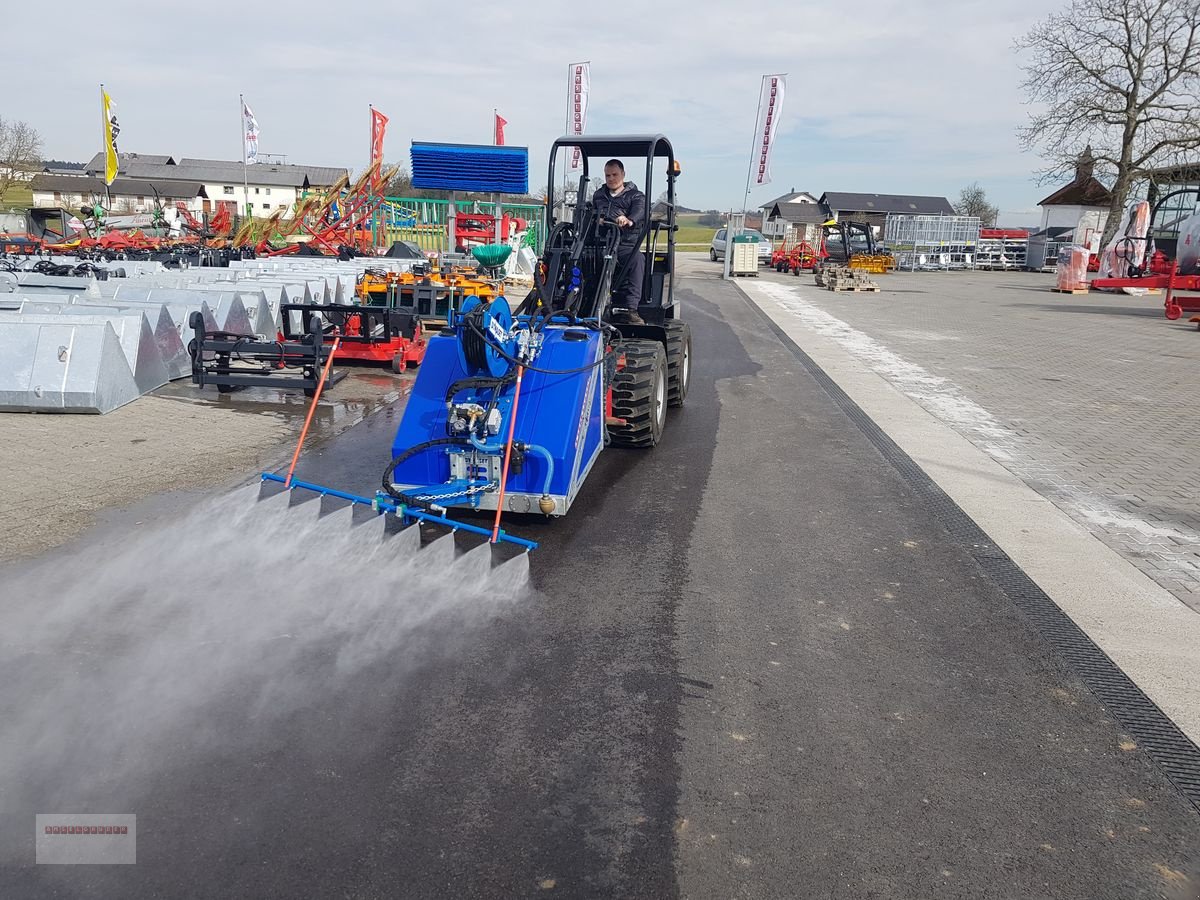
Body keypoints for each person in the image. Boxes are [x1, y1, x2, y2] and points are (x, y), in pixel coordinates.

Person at [591, 159, 646, 324]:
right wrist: (596, 219)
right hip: (599, 245)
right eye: (607, 175)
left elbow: (640, 211)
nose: (611, 179)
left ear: (623, 174)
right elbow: (592, 213)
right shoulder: (599, 195)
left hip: (624, 245)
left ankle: (631, 309)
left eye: (614, 174)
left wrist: (629, 220)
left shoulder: (635, 196)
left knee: (637, 259)